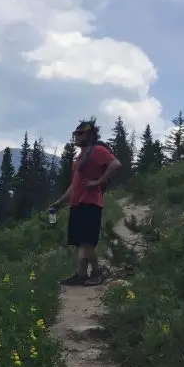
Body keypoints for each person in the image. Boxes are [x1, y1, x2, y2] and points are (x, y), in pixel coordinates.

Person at [49, 119, 121, 286]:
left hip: (90, 203)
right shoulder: (80, 156)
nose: (76, 136)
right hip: (76, 204)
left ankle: (97, 273)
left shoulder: (98, 150)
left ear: (89, 134)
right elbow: (73, 186)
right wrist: (59, 203)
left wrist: (98, 182)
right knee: (79, 242)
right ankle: (81, 274)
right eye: (75, 133)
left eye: (80, 133)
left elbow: (116, 164)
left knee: (87, 241)